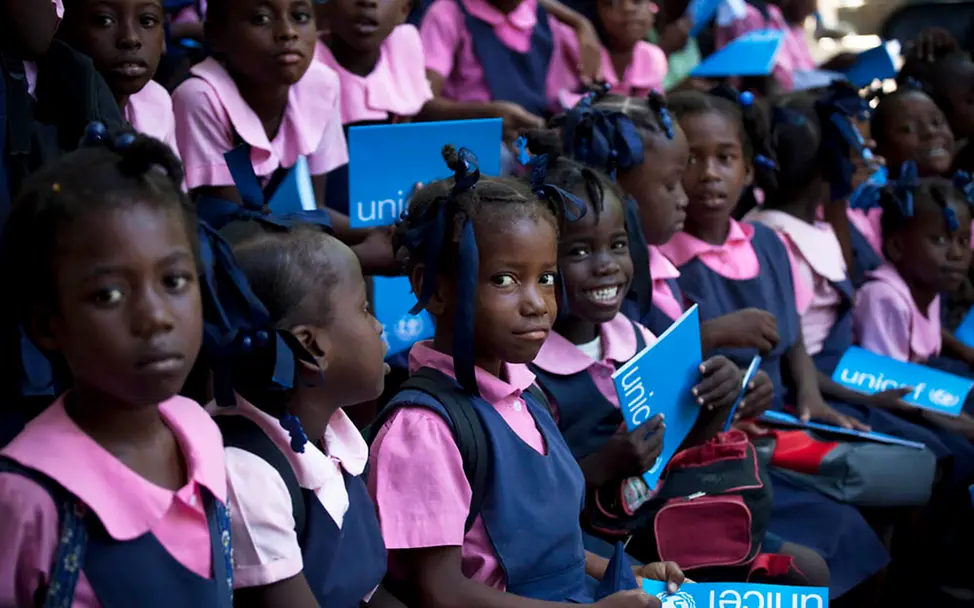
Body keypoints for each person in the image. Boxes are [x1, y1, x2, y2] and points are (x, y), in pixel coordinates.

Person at [368, 145, 683, 607]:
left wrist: (626, 574)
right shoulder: (423, 431)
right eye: (504, 280)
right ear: (432, 290)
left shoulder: (525, 393)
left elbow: (548, 551)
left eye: (546, 278)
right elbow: (440, 591)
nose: (536, 303)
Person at [662, 88, 892, 600]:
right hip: (715, 446)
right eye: (692, 159)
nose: (709, 174)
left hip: (779, 421)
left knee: (867, 527)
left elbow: (793, 342)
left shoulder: (765, 242)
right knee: (818, 550)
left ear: (748, 170)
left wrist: (810, 397)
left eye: (725, 158)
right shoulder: (666, 264)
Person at [0, 126, 231, 607]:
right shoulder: (27, 498)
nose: (155, 317)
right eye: (108, 295)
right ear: (47, 325)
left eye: (174, 281)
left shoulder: (199, 431)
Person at [745, 88, 974, 482]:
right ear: (831, 164)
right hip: (818, 382)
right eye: (854, 147)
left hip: (846, 369)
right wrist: (870, 398)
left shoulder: (820, 224)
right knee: (940, 454)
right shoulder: (774, 239)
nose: (865, 154)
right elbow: (793, 348)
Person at [206, 220, 395, 607]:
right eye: (363, 309)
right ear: (311, 345)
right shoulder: (245, 474)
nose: (378, 326)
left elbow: (370, 593)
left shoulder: (335, 438)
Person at [171, 0, 396, 273]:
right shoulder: (200, 98)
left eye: (300, 16)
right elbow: (238, 233)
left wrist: (385, 233)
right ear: (216, 35)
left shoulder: (320, 84)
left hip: (264, 242)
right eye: (261, 19)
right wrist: (360, 257)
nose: (288, 32)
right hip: (216, 259)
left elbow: (314, 210)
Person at [59, 0, 178, 153]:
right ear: (65, 31)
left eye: (146, 21)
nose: (131, 38)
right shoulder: (49, 128)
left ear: (163, 38)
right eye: (104, 20)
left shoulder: (157, 101)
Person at [315, 0, 432, 127]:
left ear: (404, 10)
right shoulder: (308, 61)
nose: (368, 2)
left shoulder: (402, 45)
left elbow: (415, 110)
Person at [556, 0, 667, 108]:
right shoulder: (571, 42)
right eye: (612, 3)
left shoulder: (651, 56)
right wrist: (579, 22)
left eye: (637, 1)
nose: (628, 8)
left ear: (653, 7)